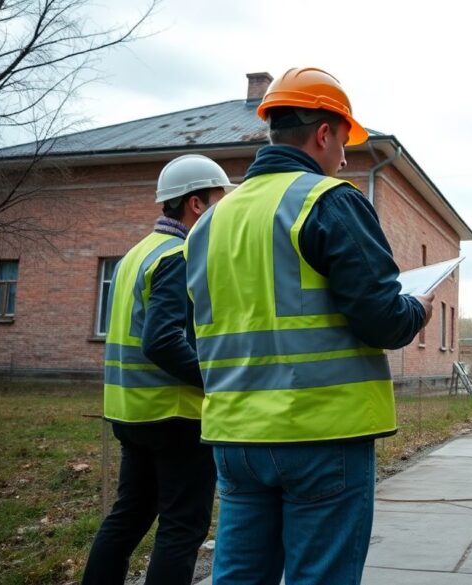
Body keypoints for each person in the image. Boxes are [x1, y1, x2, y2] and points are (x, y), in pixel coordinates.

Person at [183, 67, 433, 585]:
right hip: (322, 434)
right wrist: (420, 309)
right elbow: (383, 319)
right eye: (343, 142)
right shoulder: (329, 201)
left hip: (236, 437)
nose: (344, 158)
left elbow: (195, 331)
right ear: (323, 133)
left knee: (238, 576)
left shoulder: (209, 222)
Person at [83, 154, 234, 585]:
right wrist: (218, 380)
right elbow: (163, 341)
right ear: (196, 204)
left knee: (127, 518)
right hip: (175, 416)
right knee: (182, 527)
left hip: (131, 413)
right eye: (219, 199)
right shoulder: (179, 255)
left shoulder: (136, 254)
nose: (224, 209)